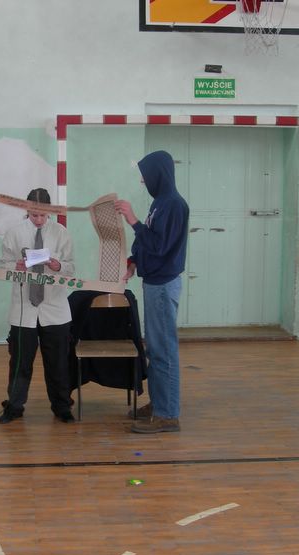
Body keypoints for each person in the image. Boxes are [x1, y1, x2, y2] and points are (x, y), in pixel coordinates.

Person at [115, 150, 189, 433]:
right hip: (154, 283)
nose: (142, 181)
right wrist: (134, 260)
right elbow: (148, 241)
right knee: (155, 349)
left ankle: (168, 415)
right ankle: (159, 403)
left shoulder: (174, 205)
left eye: (145, 176)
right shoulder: (160, 203)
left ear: (158, 174)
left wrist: (132, 220)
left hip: (162, 285)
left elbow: (159, 246)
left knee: (163, 350)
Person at [0, 188, 76, 424]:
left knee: (58, 363)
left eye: (43, 215)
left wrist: (57, 265)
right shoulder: (14, 233)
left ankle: (62, 406)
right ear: (27, 209)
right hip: (24, 309)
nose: (39, 220)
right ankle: (14, 406)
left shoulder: (61, 233)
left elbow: (71, 269)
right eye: (34, 215)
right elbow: (3, 266)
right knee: (20, 362)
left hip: (55, 309)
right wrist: (16, 266)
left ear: (50, 211)